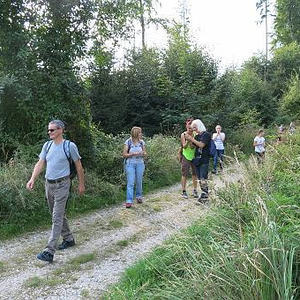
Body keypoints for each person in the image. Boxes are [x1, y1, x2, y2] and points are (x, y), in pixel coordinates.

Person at [26, 120, 85, 263]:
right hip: (49, 184)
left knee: (56, 217)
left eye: (52, 130)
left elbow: (79, 166)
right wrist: (32, 178)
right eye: (48, 130)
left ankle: (49, 251)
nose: (49, 132)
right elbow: (40, 163)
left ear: (60, 130)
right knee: (57, 214)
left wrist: (81, 184)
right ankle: (69, 238)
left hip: (63, 184)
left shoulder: (69, 146)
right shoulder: (47, 146)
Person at [185, 119, 211, 203]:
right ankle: (204, 195)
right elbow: (194, 146)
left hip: (204, 159)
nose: (194, 129)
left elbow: (201, 145)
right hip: (197, 160)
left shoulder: (206, 135)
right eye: (193, 128)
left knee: (203, 178)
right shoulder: (196, 136)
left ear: (199, 126)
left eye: (195, 127)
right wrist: (188, 140)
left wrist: (191, 139)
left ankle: (205, 195)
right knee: (199, 178)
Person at [123, 126, 146, 208]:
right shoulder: (128, 142)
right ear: (136, 133)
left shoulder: (142, 142)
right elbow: (124, 154)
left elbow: (145, 153)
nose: (141, 134)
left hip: (140, 163)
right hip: (130, 164)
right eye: (140, 132)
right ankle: (129, 200)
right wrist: (132, 154)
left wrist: (142, 153)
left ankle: (139, 196)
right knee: (131, 182)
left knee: (139, 181)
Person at [180, 119, 198, 199]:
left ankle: (195, 190)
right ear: (186, 126)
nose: (189, 129)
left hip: (194, 155)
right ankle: (184, 191)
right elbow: (184, 146)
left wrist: (191, 139)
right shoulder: (183, 134)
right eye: (188, 127)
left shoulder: (195, 134)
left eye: (191, 127)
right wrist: (188, 140)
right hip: (186, 155)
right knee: (184, 174)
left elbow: (193, 146)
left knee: (195, 173)